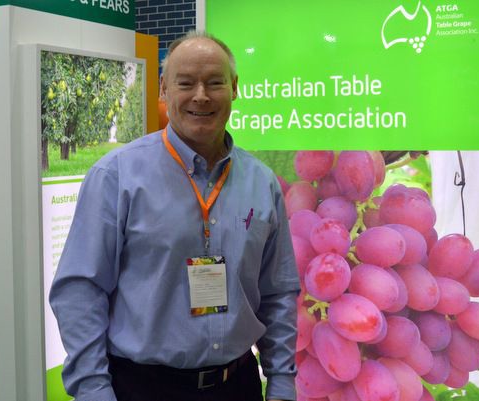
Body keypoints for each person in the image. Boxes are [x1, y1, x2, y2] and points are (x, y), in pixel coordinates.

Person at [49, 31, 300, 401]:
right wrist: (93, 390)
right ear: (164, 89)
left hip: (238, 386)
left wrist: (281, 381)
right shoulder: (117, 176)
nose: (201, 95)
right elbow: (80, 290)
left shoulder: (261, 182)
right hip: (142, 388)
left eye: (215, 82)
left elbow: (278, 292)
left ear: (234, 88)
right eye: (185, 83)